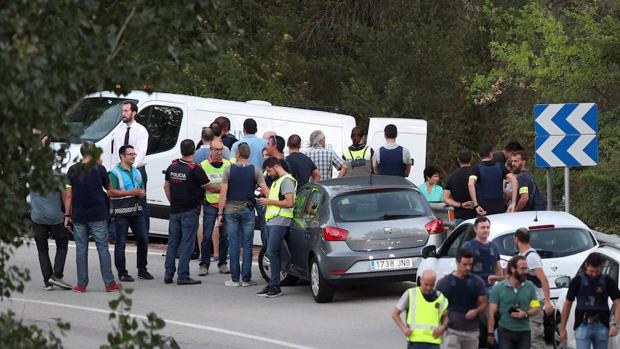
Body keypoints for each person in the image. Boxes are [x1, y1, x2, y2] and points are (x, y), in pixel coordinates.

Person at [64, 142, 119, 293]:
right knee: (102, 248)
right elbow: (109, 189)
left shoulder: (72, 170)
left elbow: (68, 194)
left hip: (79, 216)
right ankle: (109, 284)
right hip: (97, 214)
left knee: (81, 249)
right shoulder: (100, 169)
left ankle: (81, 285)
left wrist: (67, 215)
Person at [218, 143, 269, 287]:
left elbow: (223, 194)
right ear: (249, 154)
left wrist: (220, 213)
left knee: (233, 244)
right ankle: (246, 279)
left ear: (238, 154)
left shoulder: (229, 170)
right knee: (247, 244)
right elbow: (265, 190)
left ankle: (235, 279)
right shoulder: (256, 170)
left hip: (231, 209)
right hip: (248, 210)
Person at [164, 139, 214, 286]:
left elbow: (166, 187)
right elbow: (210, 187)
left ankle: (168, 273)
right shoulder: (195, 169)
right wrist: (224, 186)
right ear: (194, 151)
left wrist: (172, 201)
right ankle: (183, 275)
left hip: (174, 210)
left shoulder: (172, 166)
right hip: (190, 210)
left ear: (181, 150)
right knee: (187, 243)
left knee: (173, 242)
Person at [108, 145, 152, 282]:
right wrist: (130, 193)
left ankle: (142, 270)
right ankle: (122, 272)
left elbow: (141, 189)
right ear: (122, 156)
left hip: (137, 211)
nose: (133, 156)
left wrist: (141, 193)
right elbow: (110, 192)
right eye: (130, 154)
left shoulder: (137, 172)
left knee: (143, 239)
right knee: (121, 243)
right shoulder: (114, 173)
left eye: (134, 154)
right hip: (121, 213)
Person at [256, 157, 297, 298]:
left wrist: (269, 201)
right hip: (273, 221)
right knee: (273, 252)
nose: (268, 174)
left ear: (275, 166)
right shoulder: (278, 181)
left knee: (272, 252)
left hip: (281, 222)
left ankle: (275, 286)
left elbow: (289, 202)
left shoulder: (287, 180)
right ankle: (273, 284)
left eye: (269, 170)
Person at [560, 253, 620, 349]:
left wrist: (615, 324)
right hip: (582, 325)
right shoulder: (577, 281)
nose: (594, 274)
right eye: (591, 271)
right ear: (586, 265)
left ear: (602, 266)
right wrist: (563, 328)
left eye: (597, 271)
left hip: (602, 326)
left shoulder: (607, 281)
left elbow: (618, 302)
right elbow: (567, 304)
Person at [436, 248, 487, 349]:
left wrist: (476, 311)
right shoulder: (444, 283)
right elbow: (436, 306)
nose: (468, 268)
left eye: (470, 265)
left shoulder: (477, 282)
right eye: (465, 264)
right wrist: (440, 325)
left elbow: (484, 304)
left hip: (472, 331)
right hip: (451, 331)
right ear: (457, 262)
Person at [112, 101, 150, 234]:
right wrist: (120, 169)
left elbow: (141, 152)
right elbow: (117, 153)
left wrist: (131, 168)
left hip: (137, 170)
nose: (123, 113)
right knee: (120, 199)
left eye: (126, 111)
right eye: (123, 111)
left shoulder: (141, 130)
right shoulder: (118, 132)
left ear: (134, 113)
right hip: (121, 170)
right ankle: (116, 232)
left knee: (141, 201)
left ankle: (143, 233)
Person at [488, 255, 541, 349]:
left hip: (524, 332)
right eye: (523, 269)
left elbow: (536, 308)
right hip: (505, 331)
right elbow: (491, 313)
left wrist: (525, 314)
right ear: (513, 269)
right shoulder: (498, 288)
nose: (526, 271)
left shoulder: (530, 286)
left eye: (526, 268)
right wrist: (490, 334)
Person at [30, 175, 72, 290]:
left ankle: (48, 282)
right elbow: (67, 195)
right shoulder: (59, 176)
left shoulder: (30, 175)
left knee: (42, 250)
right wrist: (68, 214)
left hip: (37, 218)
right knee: (62, 244)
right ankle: (57, 275)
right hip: (56, 218)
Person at [514, 228, 554, 348]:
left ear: (516, 239)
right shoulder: (521, 256)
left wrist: (547, 302)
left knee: (534, 338)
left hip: (534, 302)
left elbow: (543, 279)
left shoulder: (531, 257)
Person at [392, 270, 449, 348]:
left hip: (433, 342)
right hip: (415, 341)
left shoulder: (440, 297)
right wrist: (404, 329)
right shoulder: (411, 294)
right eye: (426, 284)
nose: (428, 288)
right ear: (420, 280)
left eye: (431, 285)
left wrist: (442, 327)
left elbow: (447, 315)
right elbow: (395, 314)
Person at [198, 139, 231, 276]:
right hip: (210, 204)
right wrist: (223, 189)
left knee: (224, 236)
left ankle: (222, 263)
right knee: (206, 236)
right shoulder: (203, 165)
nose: (219, 152)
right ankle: (204, 264)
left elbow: (232, 184)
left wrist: (218, 189)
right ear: (210, 150)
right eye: (216, 149)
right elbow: (204, 186)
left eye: (221, 149)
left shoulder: (228, 164)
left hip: (226, 205)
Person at [468, 144, 517, 215]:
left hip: (483, 209)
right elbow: (514, 181)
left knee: (485, 226)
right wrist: (513, 203)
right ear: (491, 154)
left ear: (479, 155)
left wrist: (476, 205)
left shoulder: (476, 168)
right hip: (500, 207)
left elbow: (470, 184)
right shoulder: (500, 166)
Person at [462, 216, 504, 289]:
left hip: (491, 288)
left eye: (488, 227)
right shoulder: (468, 246)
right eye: (483, 227)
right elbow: (462, 268)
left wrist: (501, 286)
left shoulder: (493, 246)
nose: (486, 230)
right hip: (473, 288)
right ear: (475, 229)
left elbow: (498, 268)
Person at [443, 149, 475, 225]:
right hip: (476, 215)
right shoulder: (476, 173)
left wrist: (461, 205)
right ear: (471, 159)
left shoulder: (452, 176)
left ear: (458, 160)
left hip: (459, 216)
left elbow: (445, 198)